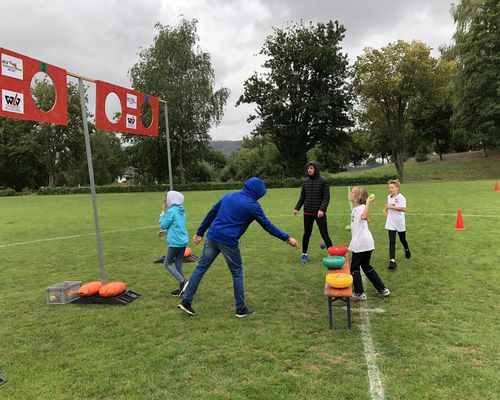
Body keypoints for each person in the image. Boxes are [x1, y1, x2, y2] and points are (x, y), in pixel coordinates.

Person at [178, 177, 299, 317]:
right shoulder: (253, 206)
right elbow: (268, 226)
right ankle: (240, 309)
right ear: (257, 192)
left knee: (200, 268)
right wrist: (287, 238)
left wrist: (200, 232)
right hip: (228, 241)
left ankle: (187, 301)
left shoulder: (229, 195)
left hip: (212, 236)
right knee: (237, 272)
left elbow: (212, 212)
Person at [348, 186, 390, 300]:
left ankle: (359, 293)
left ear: (357, 197)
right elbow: (366, 219)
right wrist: (352, 226)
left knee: (354, 268)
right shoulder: (357, 208)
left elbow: (365, 216)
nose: (350, 194)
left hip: (361, 243)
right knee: (366, 266)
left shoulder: (362, 207)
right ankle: (382, 289)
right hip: (365, 242)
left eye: (352, 192)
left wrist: (368, 203)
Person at [293, 160, 333, 264]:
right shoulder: (305, 182)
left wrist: (322, 209)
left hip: (320, 214)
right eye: (308, 168)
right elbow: (302, 197)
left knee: (325, 235)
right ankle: (304, 254)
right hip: (307, 213)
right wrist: (297, 208)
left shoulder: (323, 181)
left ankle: (332, 255)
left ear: (316, 169)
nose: (309, 170)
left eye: (311, 168)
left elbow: (326, 197)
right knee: (306, 234)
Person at [158, 190, 189, 297]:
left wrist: (162, 212)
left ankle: (183, 281)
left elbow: (163, 224)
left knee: (167, 263)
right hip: (183, 242)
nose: (165, 201)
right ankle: (183, 289)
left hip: (175, 243)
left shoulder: (171, 211)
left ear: (171, 200)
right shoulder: (181, 211)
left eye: (166, 199)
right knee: (178, 264)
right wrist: (166, 232)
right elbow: (177, 226)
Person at [384, 179, 411, 270]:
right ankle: (392, 261)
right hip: (391, 222)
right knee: (392, 241)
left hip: (399, 222)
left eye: (392, 187)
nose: (390, 189)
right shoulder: (389, 197)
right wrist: (386, 211)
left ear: (397, 188)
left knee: (403, 239)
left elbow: (403, 209)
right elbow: (389, 207)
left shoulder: (401, 197)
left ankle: (406, 249)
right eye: (389, 187)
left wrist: (390, 207)